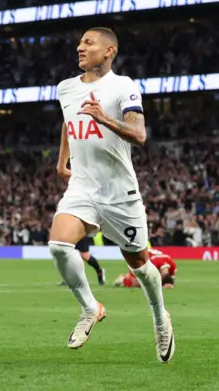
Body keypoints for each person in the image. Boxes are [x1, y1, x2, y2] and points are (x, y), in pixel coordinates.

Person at [50, 27, 174, 363]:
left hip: (120, 192)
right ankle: (91, 308)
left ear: (109, 51)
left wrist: (104, 118)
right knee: (59, 245)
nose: (80, 47)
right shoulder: (66, 88)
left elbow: (139, 134)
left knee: (139, 264)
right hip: (82, 187)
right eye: (79, 42)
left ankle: (160, 317)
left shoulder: (123, 86)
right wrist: (63, 162)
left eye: (88, 42)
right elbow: (68, 120)